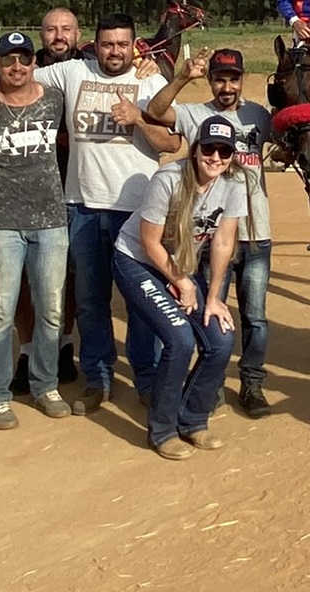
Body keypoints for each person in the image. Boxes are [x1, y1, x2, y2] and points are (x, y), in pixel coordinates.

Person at [0, 13, 175, 415]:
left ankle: (147, 378)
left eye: (123, 44)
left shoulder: (151, 82)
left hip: (137, 210)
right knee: (89, 301)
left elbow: (171, 142)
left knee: (140, 301)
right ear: (94, 45)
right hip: (82, 206)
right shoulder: (73, 71)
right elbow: (18, 75)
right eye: (107, 44)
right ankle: (98, 378)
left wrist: (138, 119)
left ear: (135, 47)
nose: (114, 51)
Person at [144, 47, 274, 417]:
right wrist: (183, 77)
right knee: (211, 311)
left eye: (233, 79)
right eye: (219, 79)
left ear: (243, 79)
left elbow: (289, 137)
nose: (226, 86)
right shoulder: (194, 114)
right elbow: (155, 111)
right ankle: (211, 384)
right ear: (211, 80)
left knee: (255, 317)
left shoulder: (258, 115)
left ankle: (252, 383)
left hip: (255, 232)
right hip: (211, 234)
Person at [111, 116, 241, 459]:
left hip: (178, 266)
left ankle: (193, 419)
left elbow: (223, 242)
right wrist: (182, 283)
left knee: (221, 339)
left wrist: (213, 297)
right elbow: (149, 241)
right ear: (196, 149)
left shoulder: (233, 184)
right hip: (137, 261)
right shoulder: (168, 179)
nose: (216, 157)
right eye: (209, 148)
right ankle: (163, 430)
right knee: (180, 339)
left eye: (224, 151)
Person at [0, 31, 72, 428]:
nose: (17, 67)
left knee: (51, 309)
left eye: (24, 59)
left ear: (34, 62)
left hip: (50, 220)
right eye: (8, 60)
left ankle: (45, 384)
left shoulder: (54, 99)